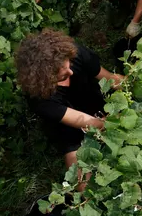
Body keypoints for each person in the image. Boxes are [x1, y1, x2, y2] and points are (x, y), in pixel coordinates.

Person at [15, 29, 125, 173]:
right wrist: (115, 121)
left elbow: (110, 79)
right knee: (78, 172)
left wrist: (134, 84)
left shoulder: (75, 54)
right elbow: (88, 123)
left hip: (96, 101)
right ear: (45, 79)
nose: (70, 73)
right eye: (62, 75)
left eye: (68, 66)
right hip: (71, 127)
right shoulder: (40, 99)